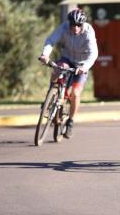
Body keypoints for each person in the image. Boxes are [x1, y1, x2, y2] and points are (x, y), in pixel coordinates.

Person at [39, 9, 98, 138]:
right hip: (67, 59)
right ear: (69, 23)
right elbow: (50, 40)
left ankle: (70, 122)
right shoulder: (64, 27)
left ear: (83, 24)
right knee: (57, 67)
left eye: (78, 25)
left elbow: (94, 54)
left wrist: (85, 67)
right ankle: (51, 93)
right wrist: (45, 54)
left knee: (75, 94)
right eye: (73, 25)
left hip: (82, 64)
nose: (75, 28)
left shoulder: (88, 32)